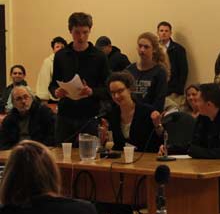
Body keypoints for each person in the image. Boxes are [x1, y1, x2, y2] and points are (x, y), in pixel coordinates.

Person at [50, 12, 111, 144]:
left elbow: (107, 89)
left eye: (85, 32)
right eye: (77, 32)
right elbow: (53, 84)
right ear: (70, 31)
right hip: (65, 115)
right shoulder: (61, 55)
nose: (81, 37)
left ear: (90, 30)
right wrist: (56, 92)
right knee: (62, 156)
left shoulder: (99, 56)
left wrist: (92, 91)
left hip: (89, 115)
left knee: (89, 158)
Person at [105, 72, 161, 152]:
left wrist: (157, 125)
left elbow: (161, 138)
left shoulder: (147, 111)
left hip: (146, 159)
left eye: (120, 91)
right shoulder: (112, 114)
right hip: (120, 161)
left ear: (130, 89)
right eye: (113, 93)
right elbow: (115, 145)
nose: (116, 96)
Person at [183, 83, 220, 159]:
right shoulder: (203, 117)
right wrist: (169, 149)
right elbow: (194, 145)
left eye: (198, 101)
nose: (196, 104)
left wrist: (197, 152)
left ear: (209, 104)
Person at [126, 32, 169, 111]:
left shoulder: (159, 72)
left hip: (149, 115)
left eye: (146, 47)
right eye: (140, 46)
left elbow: (159, 102)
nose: (142, 50)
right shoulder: (129, 70)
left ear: (154, 50)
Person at [157, 21, 189, 107]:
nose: (164, 33)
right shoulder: (154, 49)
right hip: (157, 89)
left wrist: (178, 89)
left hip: (173, 91)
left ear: (170, 33)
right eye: (161, 30)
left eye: (166, 31)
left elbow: (183, 70)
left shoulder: (178, 49)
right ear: (157, 33)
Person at [35, 36, 67, 103]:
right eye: (57, 47)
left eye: (62, 47)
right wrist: (44, 101)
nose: (60, 49)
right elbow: (44, 81)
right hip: (51, 99)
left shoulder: (67, 61)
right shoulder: (48, 61)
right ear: (53, 49)